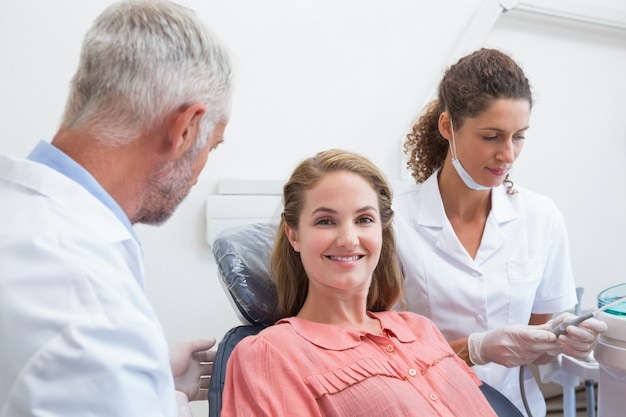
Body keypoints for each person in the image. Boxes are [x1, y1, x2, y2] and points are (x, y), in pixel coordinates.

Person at [0, 1, 233, 416]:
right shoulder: (90, 310)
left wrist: (152, 382)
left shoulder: (18, 214)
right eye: (211, 146)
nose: (199, 173)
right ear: (185, 129)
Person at [393, 48, 606, 417]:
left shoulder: (541, 217)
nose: (508, 155)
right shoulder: (394, 221)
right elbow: (377, 351)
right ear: (448, 127)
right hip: (425, 407)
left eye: (518, 136)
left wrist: (563, 339)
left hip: (516, 408)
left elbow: (537, 346)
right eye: (491, 136)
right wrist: (474, 349)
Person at [221, 149, 498, 417]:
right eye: (326, 221)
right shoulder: (272, 354)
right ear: (294, 235)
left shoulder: (419, 329)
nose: (348, 239)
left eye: (364, 219)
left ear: (381, 230)